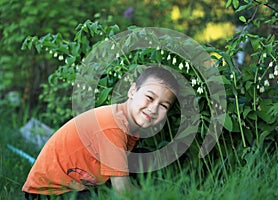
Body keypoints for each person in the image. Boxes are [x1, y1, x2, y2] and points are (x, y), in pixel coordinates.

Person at [22, 66, 179, 199]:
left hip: (78, 185)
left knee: (141, 157)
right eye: (150, 97)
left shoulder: (128, 124)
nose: (153, 108)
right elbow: (122, 192)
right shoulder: (112, 126)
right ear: (132, 91)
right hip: (47, 193)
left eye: (164, 105)